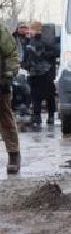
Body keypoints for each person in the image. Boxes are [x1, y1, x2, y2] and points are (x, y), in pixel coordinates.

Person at [23, 23, 57, 129]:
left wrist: (40, 54)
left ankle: (46, 116)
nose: (30, 31)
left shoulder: (46, 41)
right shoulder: (32, 41)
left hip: (44, 72)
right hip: (38, 72)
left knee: (45, 95)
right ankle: (38, 116)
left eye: (32, 29)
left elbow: (53, 53)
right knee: (38, 95)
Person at [0, 20, 21, 175]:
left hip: (0, 80)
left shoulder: (1, 31)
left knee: (5, 117)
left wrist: (8, 75)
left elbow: (11, 54)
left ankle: (13, 154)